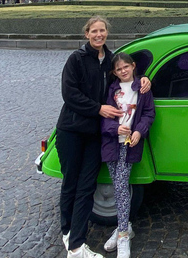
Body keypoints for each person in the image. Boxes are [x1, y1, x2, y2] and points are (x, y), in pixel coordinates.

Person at [56, 16, 150, 258]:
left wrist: (145, 79)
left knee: (86, 186)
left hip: (96, 132)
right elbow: (69, 94)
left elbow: (128, 74)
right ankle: (67, 233)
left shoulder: (110, 60)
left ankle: (76, 242)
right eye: (94, 31)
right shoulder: (76, 59)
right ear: (87, 33)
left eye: (102, 31)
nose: (99, 35)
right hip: (72, 128)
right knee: (70, 183)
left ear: (106, 33)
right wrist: (98, 108)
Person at [101, 53, 155, 258]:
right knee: (118, 187)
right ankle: (124, 227)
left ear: (133, 66)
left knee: (122, 186)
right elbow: (104, 117)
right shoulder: (111, 90)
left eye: (126, 67)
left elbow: (149, 113)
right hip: (111, 143)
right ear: (114, 72)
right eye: (118, 69)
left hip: (129, 144)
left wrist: (139, 131)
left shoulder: (142, 88)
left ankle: (123, 234)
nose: (123, 71)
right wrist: (114, 129)